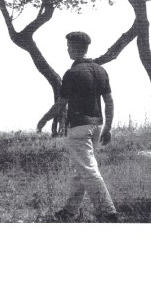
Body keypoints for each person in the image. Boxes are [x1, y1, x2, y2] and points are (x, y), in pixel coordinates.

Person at [49, 31, 118, 222]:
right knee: (82, 171)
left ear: (73, 48)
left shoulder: (71, 73)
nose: (67, 50)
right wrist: (108, 127)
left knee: (88, 170)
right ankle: (69, 211)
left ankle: (108, 212)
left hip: (79, 127)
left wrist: (44, 119)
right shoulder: (101, 71)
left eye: (68, 46)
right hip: (97, 126)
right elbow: (109, 102)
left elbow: (61, 103)